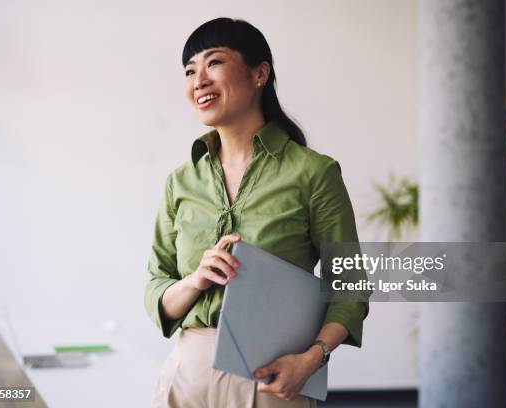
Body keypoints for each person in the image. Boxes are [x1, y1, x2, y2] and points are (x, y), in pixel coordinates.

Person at [145, 17, 369, 408]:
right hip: (186, 378)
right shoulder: (180, 182)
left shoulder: (313, 172)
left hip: (273, 381)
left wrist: (311, 359)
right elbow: (156, 289)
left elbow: (350, 288)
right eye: (189, 70)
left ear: (260, 73)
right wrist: (195, 280)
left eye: (213, 63)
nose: (198, 80)